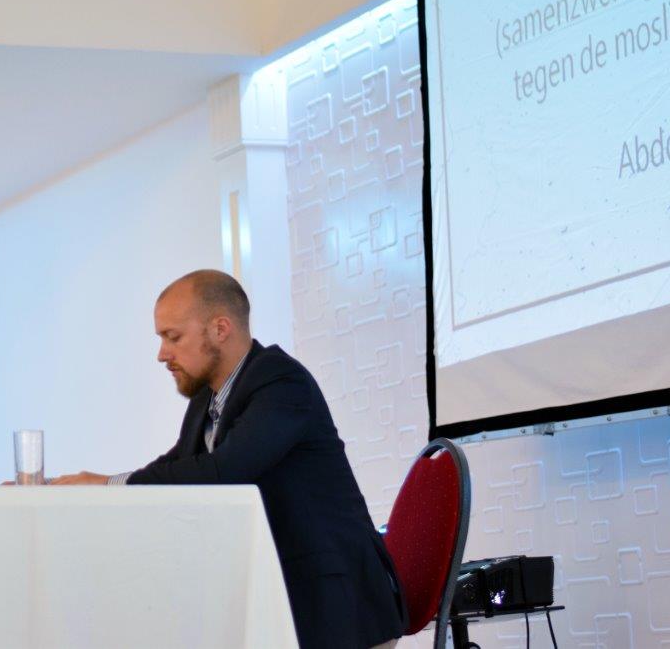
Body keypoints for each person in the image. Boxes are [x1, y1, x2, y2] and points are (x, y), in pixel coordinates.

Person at [49, 270, 405, 649]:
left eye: (173, 337)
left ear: (220, 329)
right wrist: (87, 488)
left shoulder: (282, 382)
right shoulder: (206, 398)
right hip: (286, 603)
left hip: (339, 609)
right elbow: (176, 466)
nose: (162, 354)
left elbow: (223, 472)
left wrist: (109, 485)